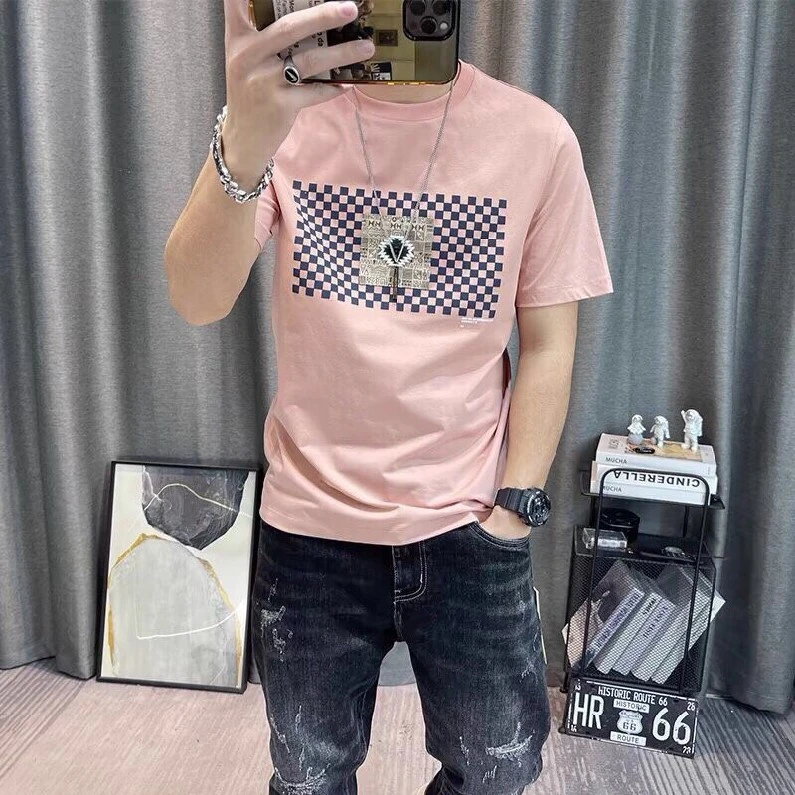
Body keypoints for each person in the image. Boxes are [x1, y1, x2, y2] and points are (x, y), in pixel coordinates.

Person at [163, 1, 614, 793]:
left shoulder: (535, 137)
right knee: (308, 774)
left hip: (467, 521)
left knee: (496, 768)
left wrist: (514, 508)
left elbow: (548, 342)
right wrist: (247, 134)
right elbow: (195, 299)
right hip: (311, 526)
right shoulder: (283, 119)